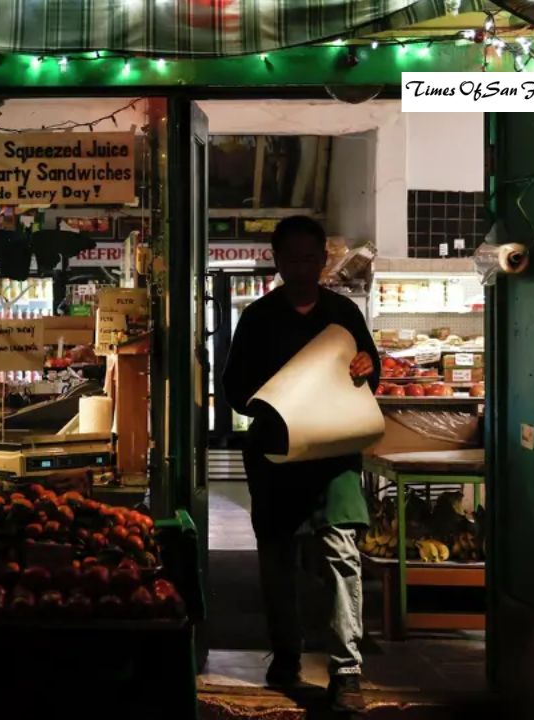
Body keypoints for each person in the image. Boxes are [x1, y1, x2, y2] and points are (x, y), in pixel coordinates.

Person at [222, 215, 379, 714]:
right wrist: (278, 403)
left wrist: (365, 366)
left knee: (341, 553)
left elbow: (368, 369)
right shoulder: (258, 318)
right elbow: (234, 389)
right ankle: (286, 654)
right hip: (276, 457)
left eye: (311, 258)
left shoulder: (343, 315)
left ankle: (347, 671)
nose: (303, 267)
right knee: (277, 560)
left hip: (333, 458)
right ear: (277, 260)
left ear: (322, 260)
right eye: (292, 258)